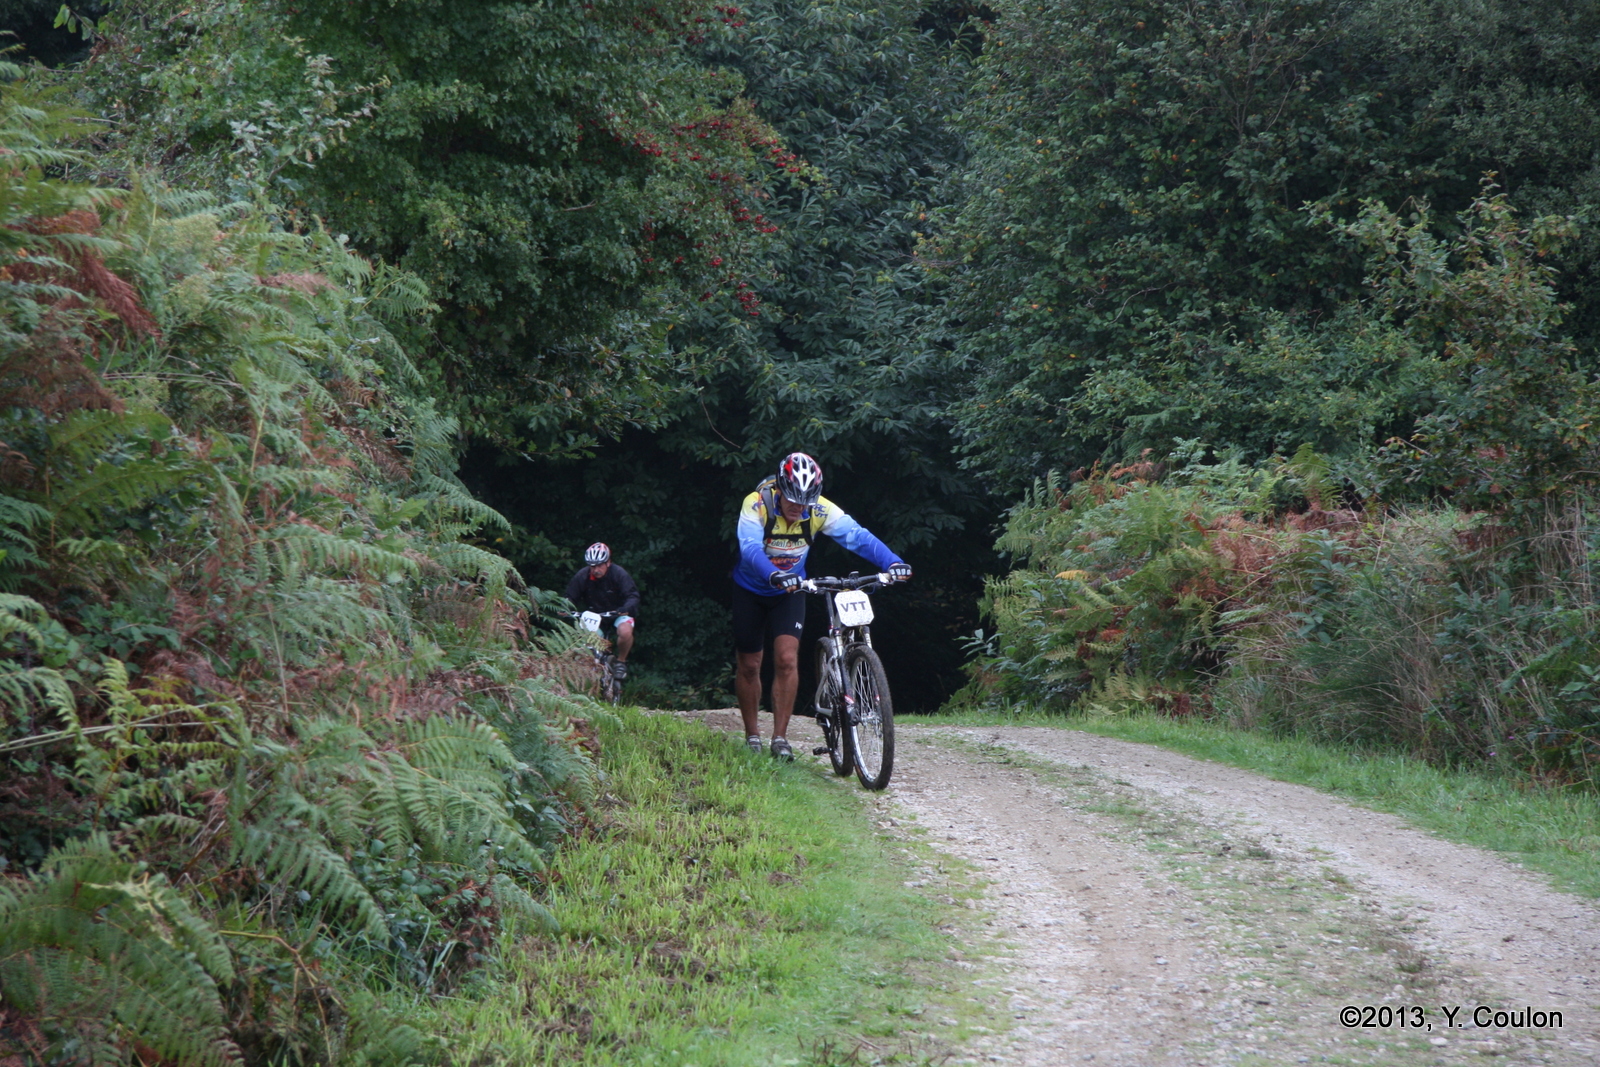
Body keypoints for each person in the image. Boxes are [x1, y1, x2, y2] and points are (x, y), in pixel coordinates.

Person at [732, 452, 912, 760]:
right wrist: (774, 574)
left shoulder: (820, 509)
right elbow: (749, 548)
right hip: (751, 589)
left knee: (787, 659)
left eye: (806, 502)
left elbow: (857, 536)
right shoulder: (756, 503)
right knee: (749, 664)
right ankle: (752, 735)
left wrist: (893, 562)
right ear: (780, 489)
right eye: (793, 500)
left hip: (791, 591)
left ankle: (780, 738)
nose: (798, 508)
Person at [565, 542, 639, 679]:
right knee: (589, 641)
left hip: (618, 613)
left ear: (608, 562)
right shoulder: (582, 576)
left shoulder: (619, 574)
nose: (596, 570)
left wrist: (626, 608)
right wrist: (565, 608)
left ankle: (621, 661)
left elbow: (632, 596)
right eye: (592, 566)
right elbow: (570, 597)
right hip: (595, 615)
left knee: (625, 631)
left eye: (599, 565)